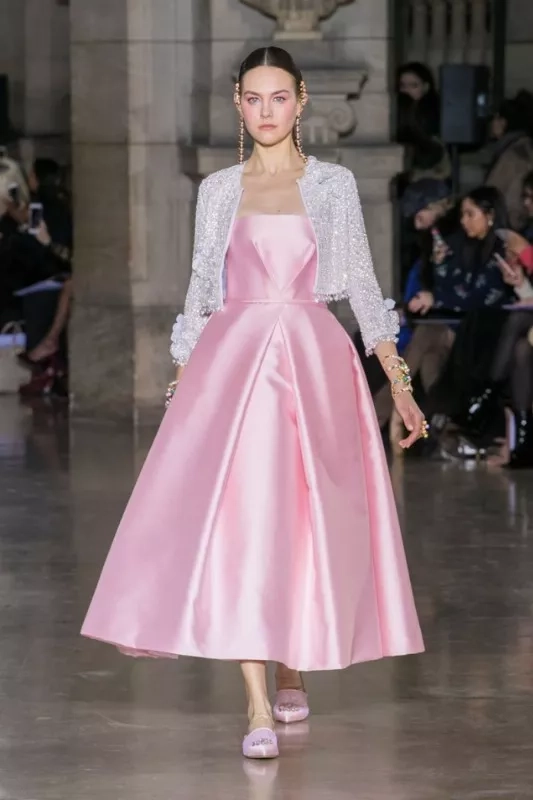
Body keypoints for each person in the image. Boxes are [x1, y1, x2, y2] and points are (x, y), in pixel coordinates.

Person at [81, 47, 425, 759]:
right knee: (244, 521)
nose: (266, 111)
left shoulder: (331, 185)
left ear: (301, 100)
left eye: (278, 97)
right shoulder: (218, 190)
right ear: (238, 104)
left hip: (314, 360)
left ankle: (292, 662)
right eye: (252, 98)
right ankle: (256, 702)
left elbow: (362, 288)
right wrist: (182, 382)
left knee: (305, 516)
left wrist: (398, 381)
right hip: (235, 365)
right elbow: (201, 292)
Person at [485, 91, 533, 230]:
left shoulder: (511, 156)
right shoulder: (524, 147)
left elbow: (491, 194)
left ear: (503, 122)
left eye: (495, 118)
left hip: (510, 226)